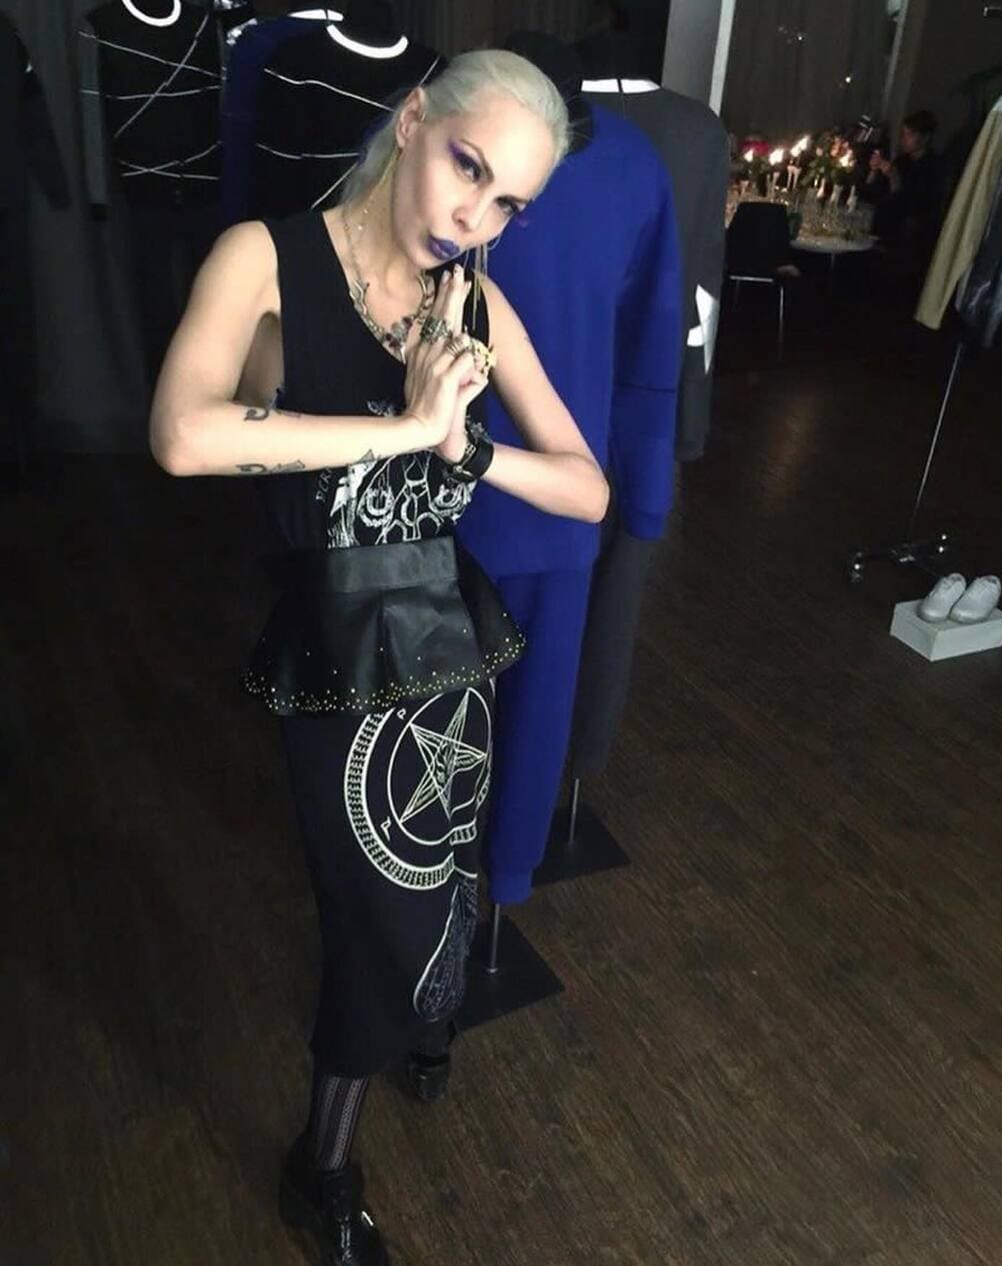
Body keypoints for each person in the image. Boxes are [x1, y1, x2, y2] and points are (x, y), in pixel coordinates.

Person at [149, 48, 608, 1266]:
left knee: (442, 878)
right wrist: (405, 425)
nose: (476, 216)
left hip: (447, 641)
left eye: (508, 202)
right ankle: (321, 1171)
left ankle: (426, 1020)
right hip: (336, 645)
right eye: (468, 168)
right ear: (412, 121)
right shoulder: (266, 258)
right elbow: (183, 435)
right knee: (373, 921)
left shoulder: (474, 305)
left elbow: (586, 488)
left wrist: (467, 455)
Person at [863, 108, 942, 258]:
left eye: (910, 135)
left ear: (925, 138)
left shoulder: (933, 168)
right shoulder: (902, 161)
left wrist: (894, 177)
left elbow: (910, 206)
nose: (903, 139)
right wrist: (873, 170)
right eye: (903, 134)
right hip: (880, 228)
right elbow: (872, 193)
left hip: (906, 238)